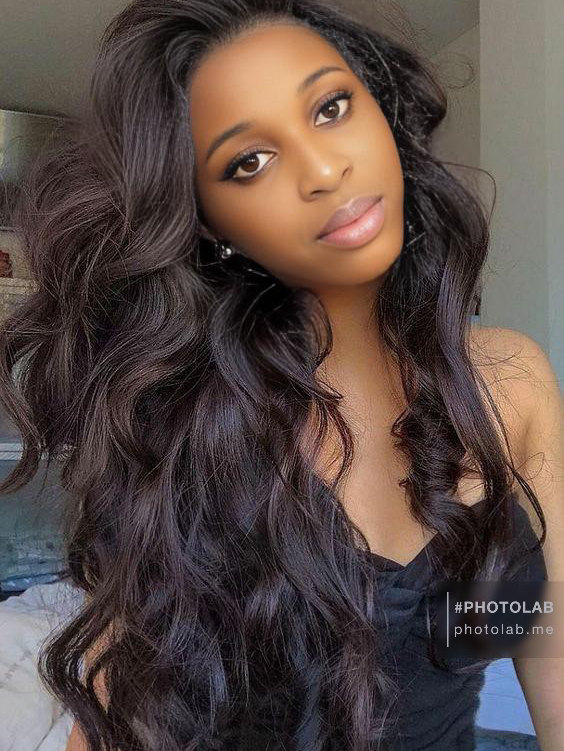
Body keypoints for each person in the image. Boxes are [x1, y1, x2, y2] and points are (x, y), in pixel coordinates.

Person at [0, 1, 561, 749]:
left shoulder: (512, 381)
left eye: (331, 108)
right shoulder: (189, 435)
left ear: (382, 113)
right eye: (249, 162)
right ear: (211, 224)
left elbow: (551, 651)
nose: (324, 170)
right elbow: (118, 719)